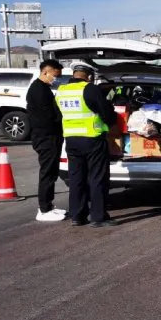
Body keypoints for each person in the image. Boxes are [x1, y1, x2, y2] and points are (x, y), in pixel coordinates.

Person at [56, 64, 117, 228]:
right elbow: (106, 113)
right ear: (89, 76)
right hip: (92, 138)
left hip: (71, 139)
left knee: (76, 178)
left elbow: (58, 114)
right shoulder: (90, 89)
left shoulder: (61, 91)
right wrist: (112, 121)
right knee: (97, 178)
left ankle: (77, 216)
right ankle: (98, 217)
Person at [27, 59, 66, 221]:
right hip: (45, 137)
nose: (55, 79)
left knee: (52, 172)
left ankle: (48, 205)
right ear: (45, 72)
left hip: (50, 136)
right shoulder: (38, 90)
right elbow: (48, 116)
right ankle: (43, 210)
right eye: (55, 76)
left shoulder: (43, 88)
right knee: (47, 173)